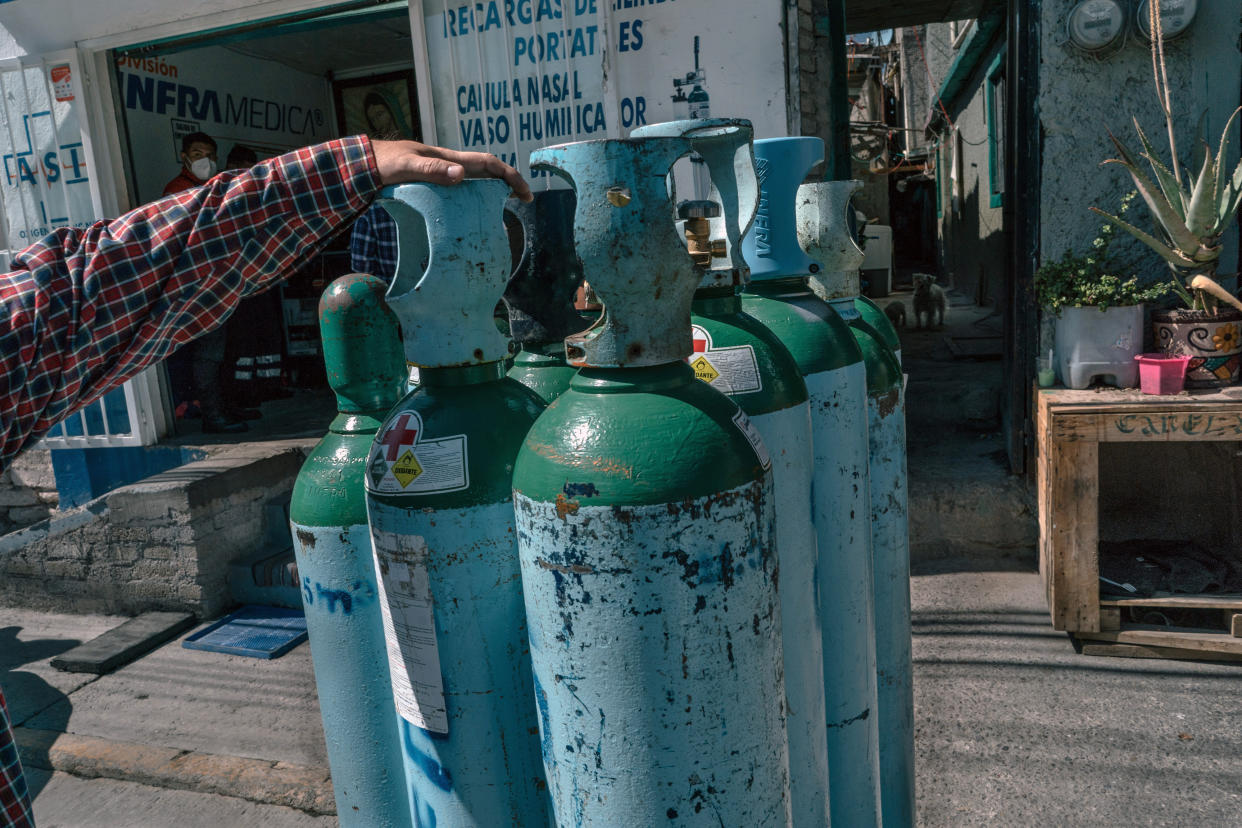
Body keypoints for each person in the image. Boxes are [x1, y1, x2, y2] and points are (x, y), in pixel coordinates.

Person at [0, 135, 529, 827]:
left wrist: (346, 170)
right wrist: (350, 169)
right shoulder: (343, 475)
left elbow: (94, 286)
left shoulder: (502, 419)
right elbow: (90, 288)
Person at [163, 132, 250, 432]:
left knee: (227, 348)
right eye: (198, 153)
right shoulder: (178, 191)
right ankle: (213, 415)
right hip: (200, 284)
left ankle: (227, 407)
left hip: (223, 279)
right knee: (209, 351)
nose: (206, 160)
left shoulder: (215, 188)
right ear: (185, 157)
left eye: (210, 155)